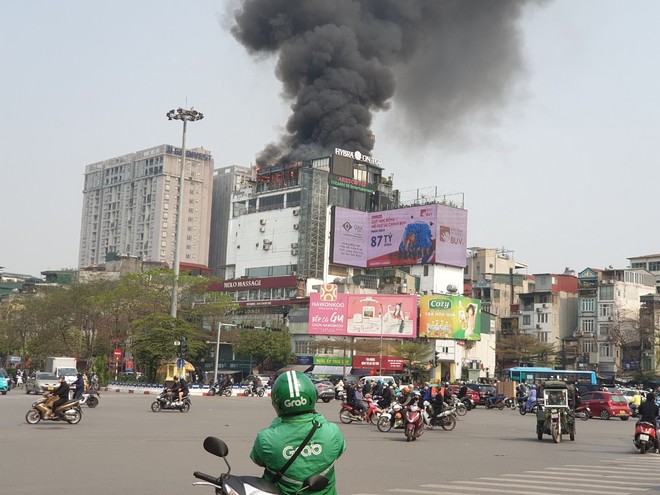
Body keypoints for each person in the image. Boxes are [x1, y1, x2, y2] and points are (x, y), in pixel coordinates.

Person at [251, 371, 346, 495]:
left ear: (276, 401)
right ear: (312, 396)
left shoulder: (265, 438)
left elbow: (259, 460)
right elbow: (339, 452)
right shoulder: (332, 432)